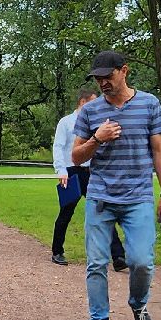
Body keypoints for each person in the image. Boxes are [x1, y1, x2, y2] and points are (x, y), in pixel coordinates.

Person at [69, 51, 161, 320]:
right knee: (96, 264)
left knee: (141, 262)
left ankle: (138, 305)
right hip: (101, 197)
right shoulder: (90, 112)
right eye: (98, 78)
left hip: (138, 197)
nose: (103, 82)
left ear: (124, 71)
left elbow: (159, 151)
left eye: (108, 76)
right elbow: (76, 157)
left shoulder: (149, 104)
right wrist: (97, 139)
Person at [52, 85, 126, 270]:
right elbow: (58, 147)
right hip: (72, 172)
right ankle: (57, 250)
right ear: (83, 102)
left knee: (104, 210)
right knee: (66, 212)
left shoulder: (98, 122)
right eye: (93, 102)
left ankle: (118, 256)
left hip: (93, 172)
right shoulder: (66, 122)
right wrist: (61, 171)